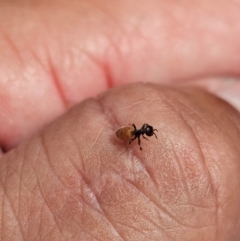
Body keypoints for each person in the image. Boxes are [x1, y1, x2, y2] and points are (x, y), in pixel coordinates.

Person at [0, 0, 240, 240]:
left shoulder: (136, 131)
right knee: (131, 145)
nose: (147, 132)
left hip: (124, 133)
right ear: (142, 131)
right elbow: (130, 134)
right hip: (124, 134)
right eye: (147, 131)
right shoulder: (134, 134)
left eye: (147, 131)